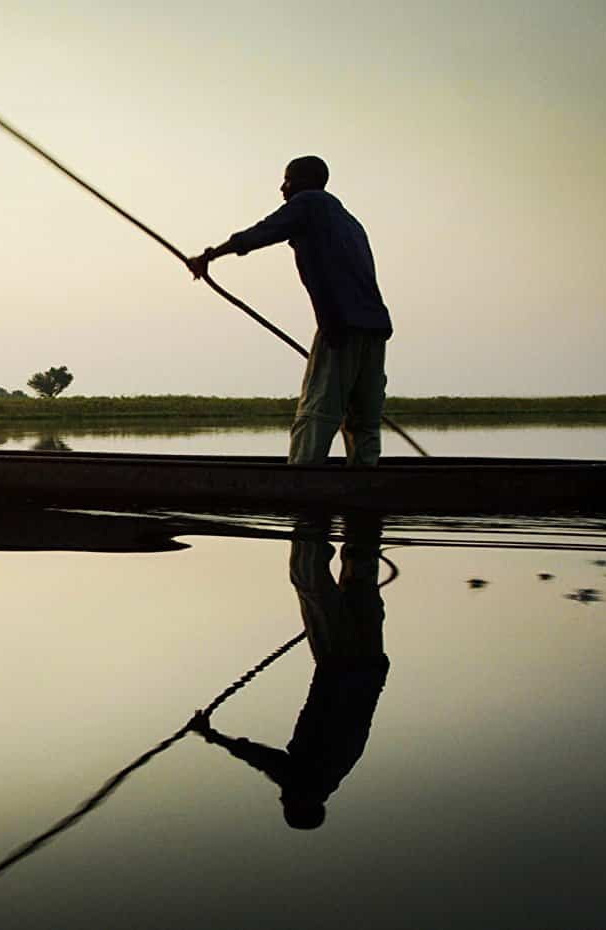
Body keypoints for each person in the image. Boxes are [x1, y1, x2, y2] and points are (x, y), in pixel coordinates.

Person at [186, 156, 393, 465]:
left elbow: (262, 232)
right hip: (375, 327)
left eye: (288, 180)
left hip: (340, 325)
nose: (282, 187)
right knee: (364, 419)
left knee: (317, 410)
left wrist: (210, 256)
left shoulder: (309, 204)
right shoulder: (349, 221)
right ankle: (365, 482)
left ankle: (302, 481)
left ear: (306, 182)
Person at [188, 515, 390, 829]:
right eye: (287, 803)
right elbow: (267, 762)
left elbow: (273, 766)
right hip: (342, 665)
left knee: (358, 578)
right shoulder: (311, 781)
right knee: (309, 583)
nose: (283, 797)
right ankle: (310, 520)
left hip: (369, 665)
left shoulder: (334, 772)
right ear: (302, 805)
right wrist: (214, 737)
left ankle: (363, 516)